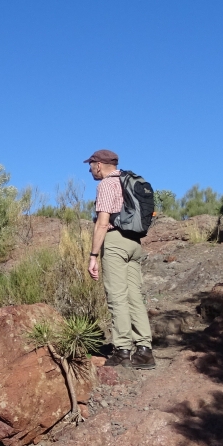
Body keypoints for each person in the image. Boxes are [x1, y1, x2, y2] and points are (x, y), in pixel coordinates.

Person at [84, 149, 155, 369]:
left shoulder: (106, 184)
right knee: (135, 296)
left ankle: (122, 351)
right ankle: (144, 351)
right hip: (134, 244)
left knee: (117, 297)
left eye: (91, 164)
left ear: (99, 164)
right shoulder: (127, 180)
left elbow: (103, 223)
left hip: (115, 242)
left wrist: (93, 255)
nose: (89, 169)